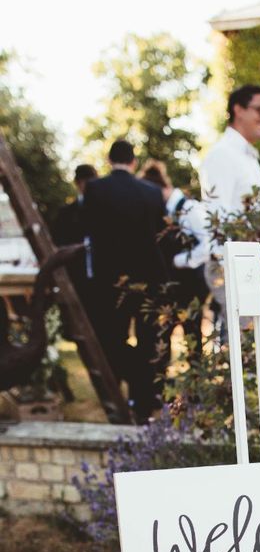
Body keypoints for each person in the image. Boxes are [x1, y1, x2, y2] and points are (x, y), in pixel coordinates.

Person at [83, 140, 168, 423]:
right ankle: (142, 403)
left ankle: (126, 394)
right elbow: (159, 237)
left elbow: (91, 234)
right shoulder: (153, 193)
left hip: (111, 283)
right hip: (149, 281)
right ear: (133, 161)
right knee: (147, 341)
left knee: (112, 340)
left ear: (110, 160)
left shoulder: (95, 189)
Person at [199, 84, 260, 337]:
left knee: (250, 357)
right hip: (233, 270)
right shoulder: (222, 155)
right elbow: (217, 222)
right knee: (238, 357)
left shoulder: (248, 157)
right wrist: (230, 286)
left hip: (251, 268)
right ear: (238, 110)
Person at [141, 160, 210, 356]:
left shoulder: (189, 208)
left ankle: (197, 381)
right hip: (172, 287)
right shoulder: (163, 212)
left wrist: (177, 260)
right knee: (164, 337)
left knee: (193, 339)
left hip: (193, 285)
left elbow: (208, 244)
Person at [53, 164, 98, 322]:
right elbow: (58, 242)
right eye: (85, 182)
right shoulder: (66, 213)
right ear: (78, 183)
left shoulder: (104, 209)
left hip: (101, 275)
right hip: (76, 273)